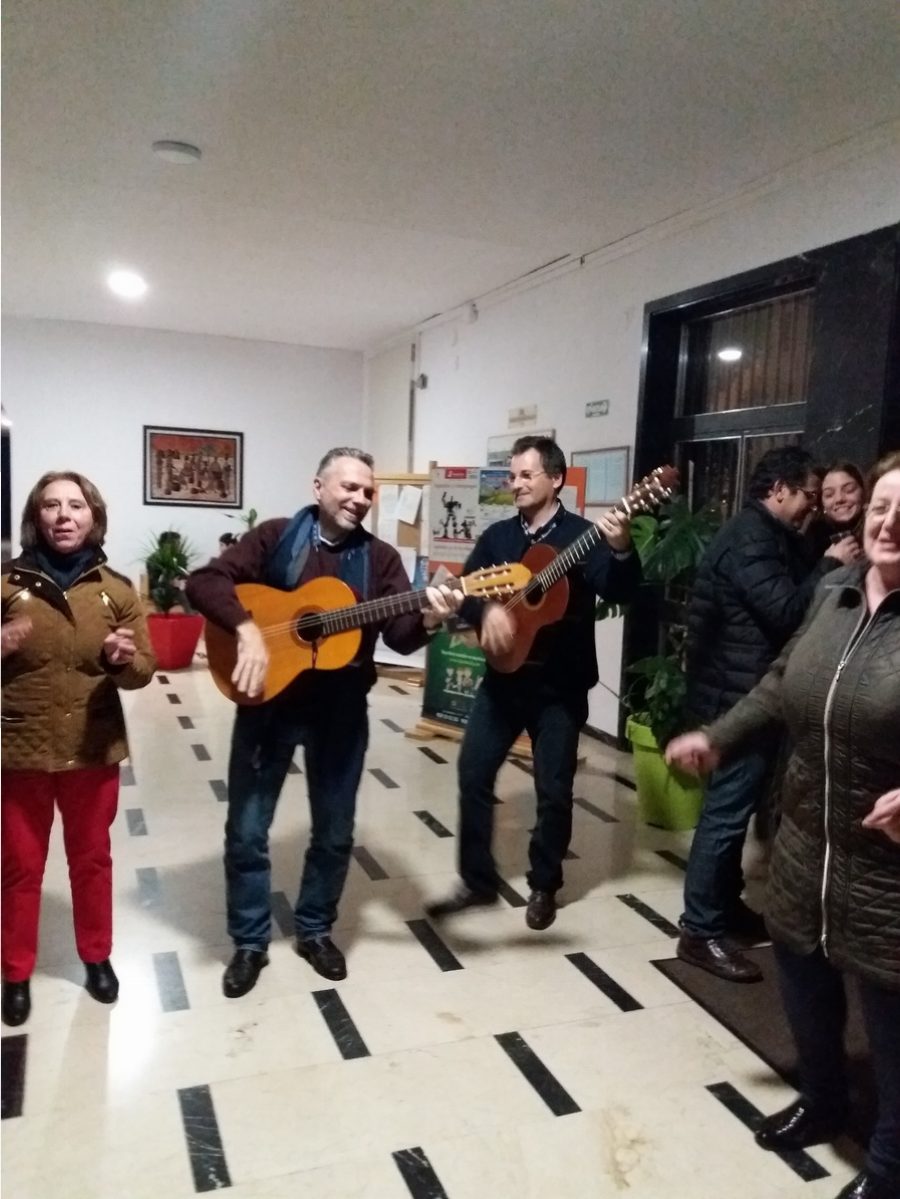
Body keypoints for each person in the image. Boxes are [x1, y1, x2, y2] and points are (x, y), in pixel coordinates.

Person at [666, 451, 900, 1199]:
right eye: (882, 506)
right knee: (803, 983)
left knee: (891, 1019)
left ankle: (890, 1165)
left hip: (886, 864)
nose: (889, 522)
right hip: (805, 840)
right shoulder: (832, 593)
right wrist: (718, 737)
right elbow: (778, 683)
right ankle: (823, 1100)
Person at [186, 447, 461, 996]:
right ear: (318, 487)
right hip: (267, 703)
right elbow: (204, 581)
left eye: (368, 491)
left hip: (339, 712)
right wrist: (245, 628)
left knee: (335, 833)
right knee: (247, 831)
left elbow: (399, 634)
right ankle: (249, 942)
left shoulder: (381, 559)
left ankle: (314, 930)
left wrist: (432, 618)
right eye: (348, 487)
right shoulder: (275, 537)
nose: (360, 499)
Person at [426, 435, 642, 931]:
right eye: (513, 476)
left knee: (554, 790)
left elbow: (619, 589)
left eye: (526, 475)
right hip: (503, 680)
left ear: (556, 479)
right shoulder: (498, 536)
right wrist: (486, 613)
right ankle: (476, 881)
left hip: (559, 688)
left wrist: (622, 548)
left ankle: (544, 883)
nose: (516, 484)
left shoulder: (585, 535)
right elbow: (464, 590)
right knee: (473, 774)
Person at [676, 446, 859, 983]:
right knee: (725, 815)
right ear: (779, 490)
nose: (813, 507)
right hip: (736, 698)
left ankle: (724, 908)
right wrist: (829, 565)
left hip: (739, 690)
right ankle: (699, 931)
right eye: (809, 495)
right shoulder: (751, 539)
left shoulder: (770, 535)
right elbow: (784, 611)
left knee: (732, 812)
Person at [1, 471, 156, 1026]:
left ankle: (96, 957)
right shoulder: (6, 584)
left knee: (91, 861)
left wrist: (122, 660)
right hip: (19, 747)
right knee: (19, 867)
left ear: (94, 517)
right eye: (51, 505)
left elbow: (143, 670)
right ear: (35, 517)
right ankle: (15, 971)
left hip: (92, 749)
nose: (64, 515)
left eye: (76, 505)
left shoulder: (116, 590)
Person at [807, 461, 867, 559]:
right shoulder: (813, 539)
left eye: (849, 490)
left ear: (863, 492)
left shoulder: (879, 528)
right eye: (829, 494)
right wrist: (830, 562)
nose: (839, 499)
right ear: (821, 503)